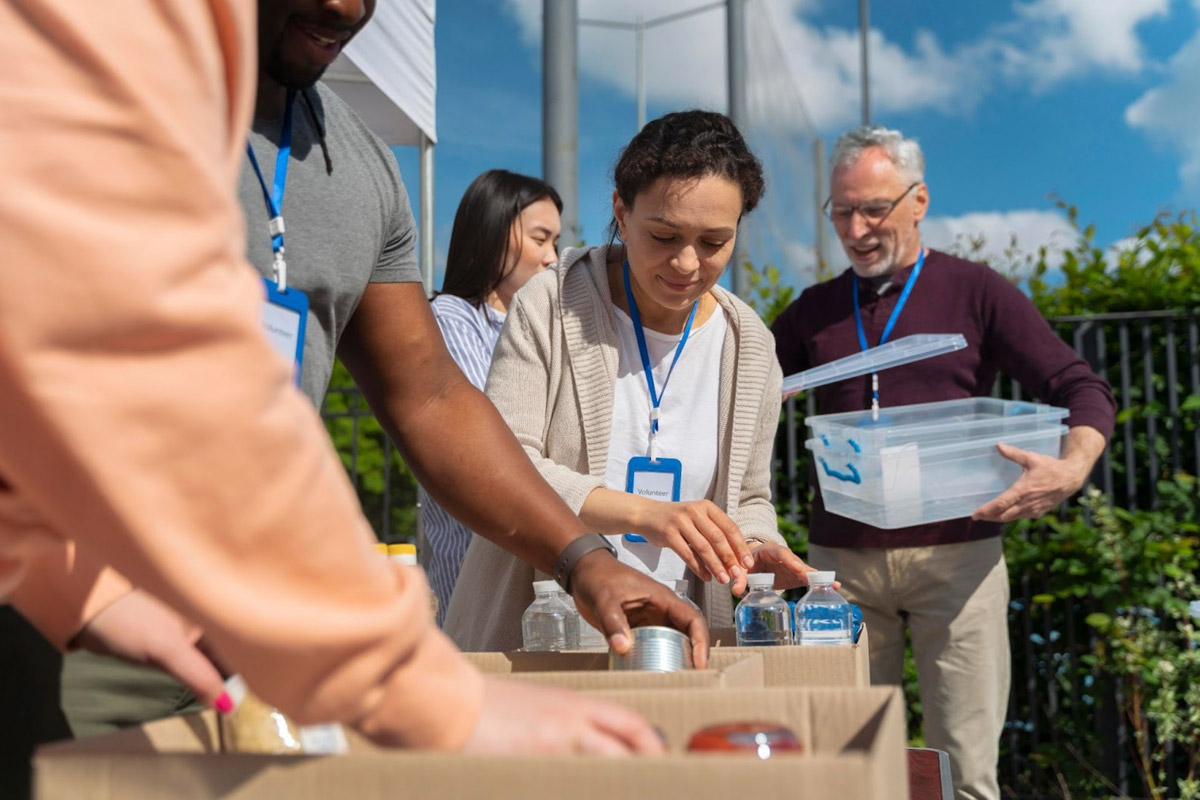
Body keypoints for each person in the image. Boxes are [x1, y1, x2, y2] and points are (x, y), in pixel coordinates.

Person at [2, 0, 702, 779]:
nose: (346, 5)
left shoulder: (362, 164)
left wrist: (581, 557)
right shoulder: (93, 77)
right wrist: (407, 681)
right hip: (66, 619)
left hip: (260, 634)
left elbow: (430, 395)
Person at [771, 126, 1115, 800]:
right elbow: (742, 397)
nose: (857, 228)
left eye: (874, 208)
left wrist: (1071, 468)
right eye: (842, 211)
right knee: (844, 767)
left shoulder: (977, 291)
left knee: (963, 772)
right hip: (838, 573)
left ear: (920, 199)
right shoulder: (812, 310)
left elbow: (1080, 386)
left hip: (958, 564)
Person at [445, 110, 819, 653]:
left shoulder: (751, 346)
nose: (687, 262)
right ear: (621, 212)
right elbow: (502, 464)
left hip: (677, 641)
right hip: (540, 632)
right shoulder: (551, 303)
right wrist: (647, 514)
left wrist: (754, 545)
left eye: (715, 242)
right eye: (664, 235)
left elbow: (751, 495)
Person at [422, 170, 562, 623]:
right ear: (493, 232)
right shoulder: (452, 318)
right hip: (475, 557)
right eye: (540, 239)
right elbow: (487, 427)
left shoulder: (541, 326)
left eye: (556, 242)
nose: (552, 258)